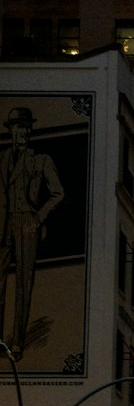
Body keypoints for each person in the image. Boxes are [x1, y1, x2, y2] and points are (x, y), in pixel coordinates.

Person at [0, 106, 65, 359]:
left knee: (24, 285)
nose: (24, 132)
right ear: (12, 130)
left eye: (27, 127)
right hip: (4, 225)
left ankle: (16, 343)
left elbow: (59, 192)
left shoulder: (40, 159)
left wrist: (39, 217)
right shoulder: (3, 159)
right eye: (19, 127)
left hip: (27, 222)